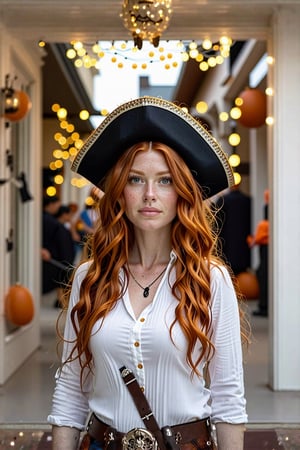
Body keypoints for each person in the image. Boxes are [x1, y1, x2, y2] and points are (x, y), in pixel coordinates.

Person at [48, 97, 249, 450]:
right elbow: (70, 393)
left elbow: (228, 399)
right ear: (119, 193)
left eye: (166, 181)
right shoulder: (90, 278)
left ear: (182, 193)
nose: (150, 195)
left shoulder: (210, 280)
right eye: (136, 180)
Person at [215, 184, 251, 275]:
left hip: (226, 247)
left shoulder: (223, 200)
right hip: (243, 249)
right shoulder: (247, 200)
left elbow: (217, 224)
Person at [247, 189, 269, 317]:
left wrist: (252, 240)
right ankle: (264, 304)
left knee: (263, 274)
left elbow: (255, 240)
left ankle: (264, 305)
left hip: (265, 248)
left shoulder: (264, 225)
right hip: (265, 247)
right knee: (263, 274)